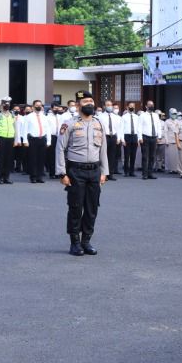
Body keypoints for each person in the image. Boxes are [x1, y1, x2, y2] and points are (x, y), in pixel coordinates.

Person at [56, 91, 109, 256]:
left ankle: (86, 240)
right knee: (75, 207)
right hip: (75, 170)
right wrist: (61, 173)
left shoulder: (99, 123)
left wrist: (104, 172)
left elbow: (103, 150)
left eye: (91, 101)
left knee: (92, 207)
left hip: (94, 171)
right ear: (78, 105)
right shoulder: (69, 124)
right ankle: (75, 242)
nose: (90, 104)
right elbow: (60, 148)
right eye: (86, 101)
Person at [0, 97, 18, 184]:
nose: (7, 105)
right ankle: (1, 178)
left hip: (10, 138)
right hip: (1, 138)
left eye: (8, 103)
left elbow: (15, 127)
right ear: (2, 104)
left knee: (8, 159)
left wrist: (16, 139)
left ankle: (6, 178)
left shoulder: (12, 114)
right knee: (1, 159)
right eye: (5, 103)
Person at [139, 100, 160, 180]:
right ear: (146, 106)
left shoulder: (156, 115)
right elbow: (139, 127)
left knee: (152, 156)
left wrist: (159, 136)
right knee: (145, 156)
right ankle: (144, 174)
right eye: (149, 105)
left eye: (152, 104)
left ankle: (150, 173)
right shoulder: (142, 115)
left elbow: (158, 126)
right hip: (145, 137)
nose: (151, 106)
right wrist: (140, 138)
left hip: (154, 137)